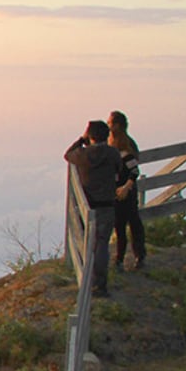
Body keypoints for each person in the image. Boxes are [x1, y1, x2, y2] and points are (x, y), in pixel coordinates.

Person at [64, 120, 120, 297]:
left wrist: (81, 139)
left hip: (87, 205)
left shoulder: (83, 155)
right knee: (102, 244)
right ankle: (100, 285)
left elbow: (67, 155)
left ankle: (86, 280)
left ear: (90, 136)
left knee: (87, 242)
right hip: (107, 205)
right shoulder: (113, 153)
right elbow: (119, 168)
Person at [108, 110, 146, 270]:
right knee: (122, 224)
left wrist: (125, 187)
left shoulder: (124, 146)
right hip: (119, 191)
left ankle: (134, 256)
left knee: (130, 223)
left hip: (125, 190)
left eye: (110, 123)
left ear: (117, 125)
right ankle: (123, 258)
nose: (108, 125)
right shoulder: (119, 143)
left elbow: (134, 170)